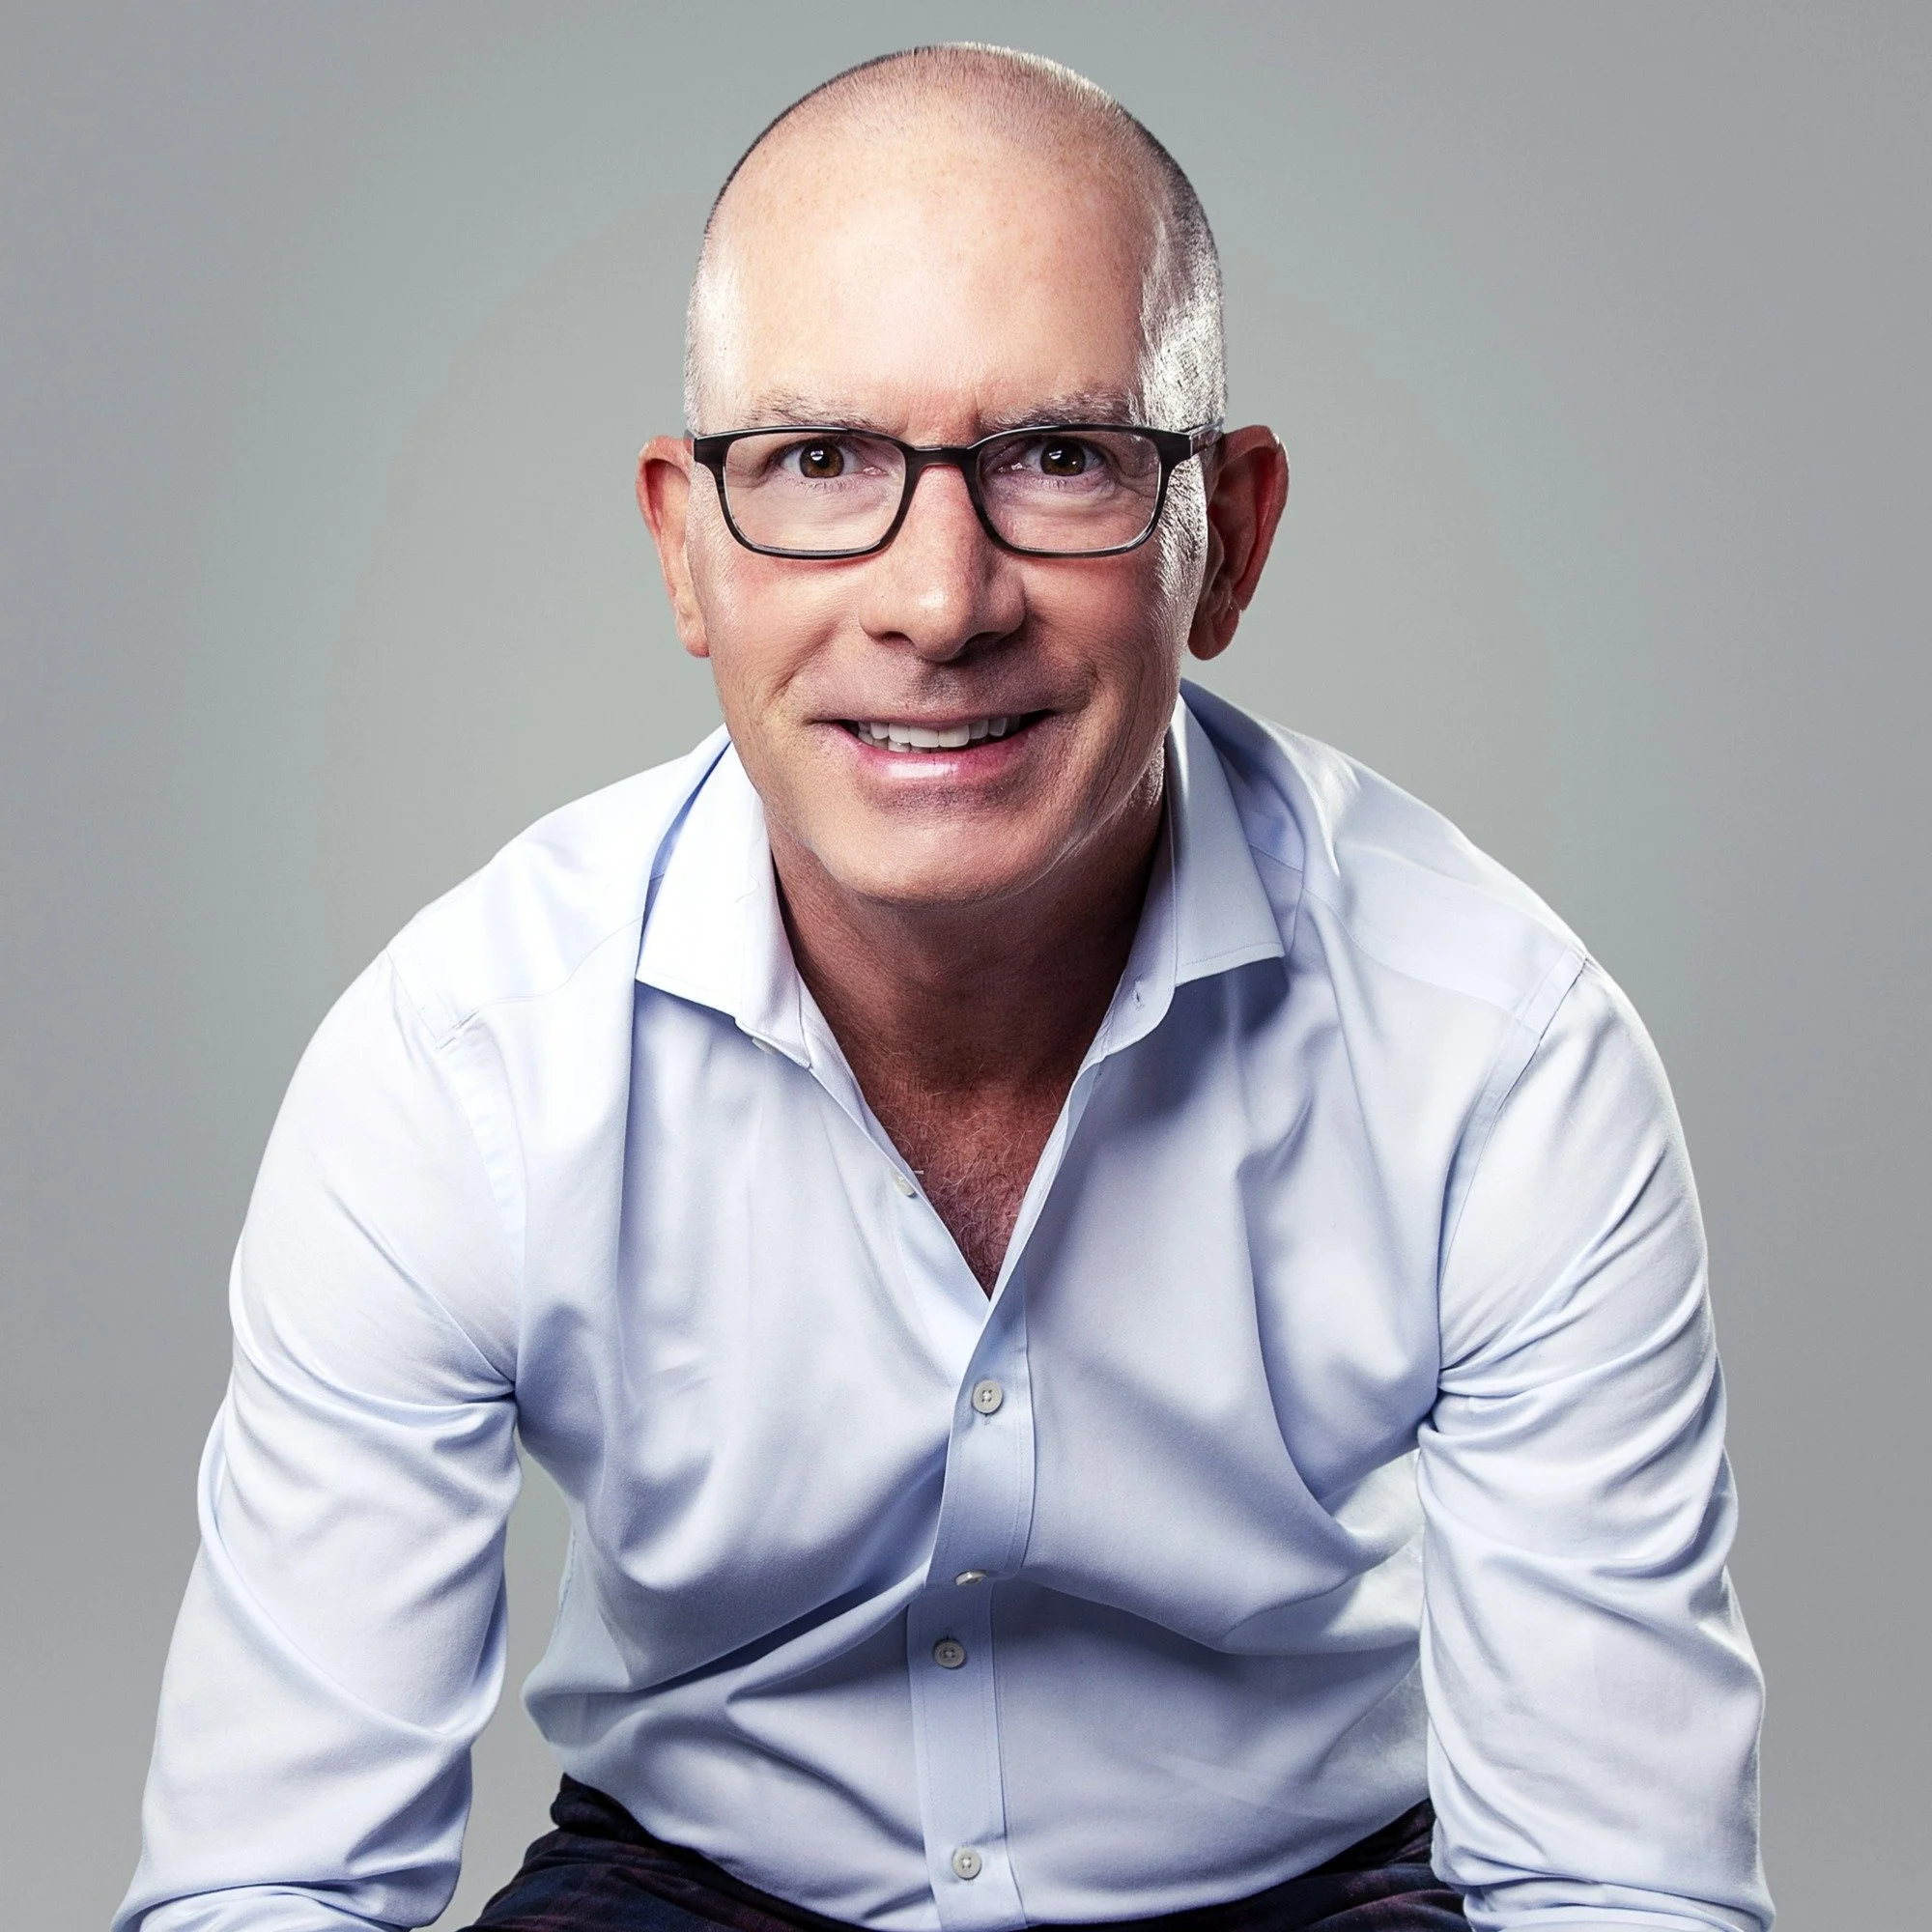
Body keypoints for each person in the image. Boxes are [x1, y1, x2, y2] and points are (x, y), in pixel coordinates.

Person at [116, 44, 1772, 1932]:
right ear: (683, 542)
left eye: (1057, 457)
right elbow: (273, 1888)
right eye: (821, 460)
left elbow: (1615, 1889)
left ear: (1223, 535)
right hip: (695, 1887)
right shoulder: (457, 1067)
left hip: (1304, 1896)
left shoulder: (1502, 1059)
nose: (936, 596)